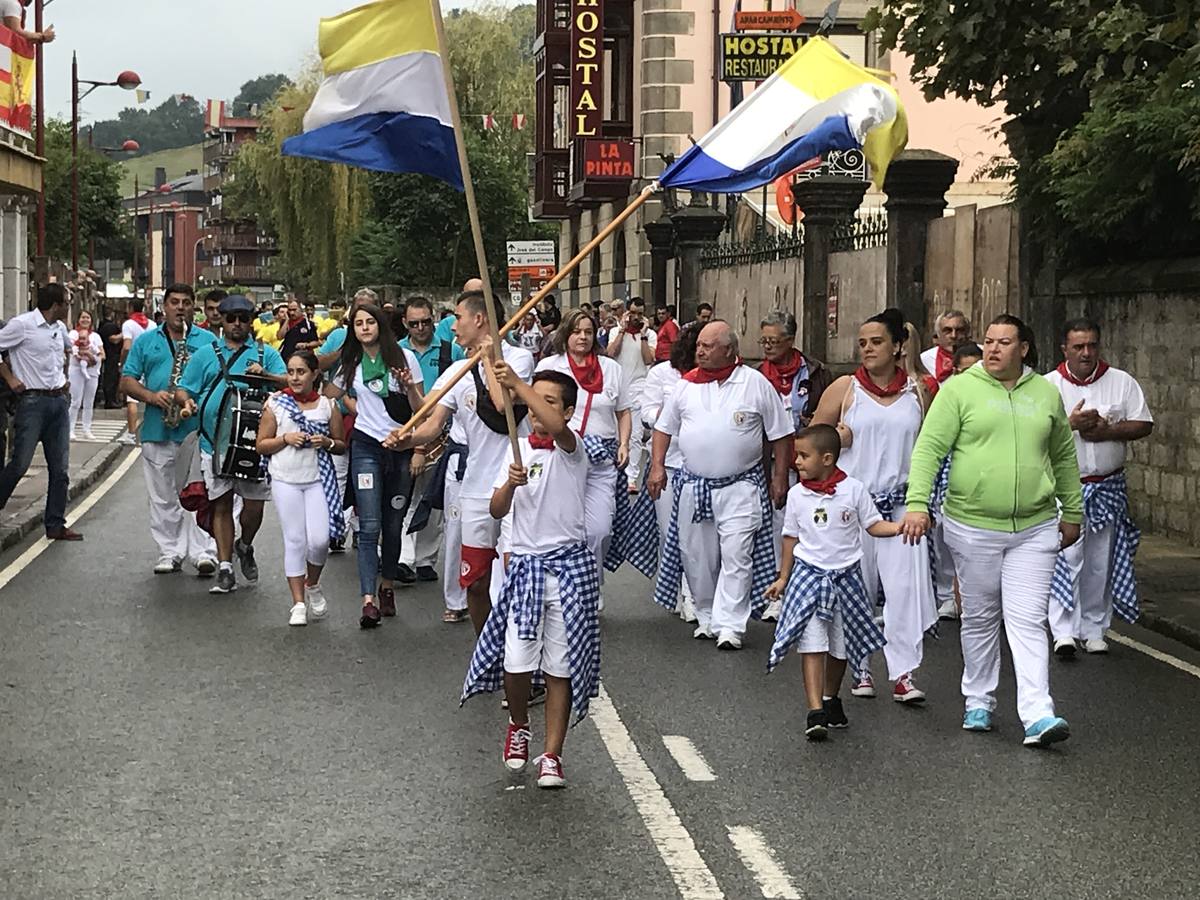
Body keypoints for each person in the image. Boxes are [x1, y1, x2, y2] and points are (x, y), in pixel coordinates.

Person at [901, 314, 1083, 747]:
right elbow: (929, 448)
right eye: (987, 342)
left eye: (1004, 342)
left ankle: (1038, 713)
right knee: (981, 616)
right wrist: (917, 504)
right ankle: (978, 699)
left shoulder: (1044, 394)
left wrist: (1072, 512)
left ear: (1024, 349)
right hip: (973, 525)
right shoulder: (960, 390)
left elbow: (1062, 455)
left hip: (1035, 527)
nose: (993, 349)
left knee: (1028, 619)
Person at [462, 367, 597, 789]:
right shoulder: (517, 449)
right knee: (517, 660)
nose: (538, 410)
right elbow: (497, 509)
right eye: (534, 402)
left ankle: (553, 754)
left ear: (569, 411)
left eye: (549, 401)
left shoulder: (573, 451)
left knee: (561, 665)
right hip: (525, 567)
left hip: (568, 568)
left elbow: (556, 427)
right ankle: (519, 723)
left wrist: (520, 387)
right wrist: (510, 486)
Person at [387, 291, 534, 634]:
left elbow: (502, 407)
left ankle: (520, 645)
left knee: (515, 573)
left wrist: (486, 358)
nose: (452, 326)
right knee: (476, 580)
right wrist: (405, 439)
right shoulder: (456, 370)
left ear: (479, 319)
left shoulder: (519, 359)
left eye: (458, 317)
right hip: (476, 490)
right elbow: (431, 422)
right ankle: (488, 647)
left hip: (516, 485)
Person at [809, 309, 936, 702]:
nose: (867, 349)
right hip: (854, 508)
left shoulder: (920, 391)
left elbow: (933, 447)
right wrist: (836, 438)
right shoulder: (845, 389)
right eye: (862, 343)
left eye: (877, 342)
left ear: (898, 346)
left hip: (902, 505)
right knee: (856, 589)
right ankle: (859, 667)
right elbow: (811, 442)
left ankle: (903, 673)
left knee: (904, 590)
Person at [648, 320, 793, 650]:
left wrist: (780, 476)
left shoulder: (754, 383)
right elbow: (663, 428)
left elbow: (781, 433)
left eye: (708, 346)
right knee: (696, 556)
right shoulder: (685, 386)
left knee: (736, 554)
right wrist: (657, 467)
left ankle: (731, 624)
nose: (699, 350)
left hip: (741, 486)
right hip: (694, 486)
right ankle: (705, 614)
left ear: (729, 350)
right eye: (699, 344)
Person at [764, 425, 900, 740]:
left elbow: (873, 525)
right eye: (796, 455)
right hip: (809, 576)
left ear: (827, 458)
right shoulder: (797, 495)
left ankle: (830, 696)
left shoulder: (853, 490)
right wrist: (783, 577)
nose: (796, 461)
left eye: (803, 456)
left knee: (841, 646)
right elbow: (790, 537)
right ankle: (815, 711)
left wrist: (898, 528)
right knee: (812, 644)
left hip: (846, 577)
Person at [1046, 319, 1153, 656]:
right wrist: (1071, 425)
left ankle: (1094, 628)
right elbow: (1031, 434)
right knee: (1065, 557)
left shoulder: (1121, 382)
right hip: (1064, 488)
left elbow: (1143, 423)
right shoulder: (1047, 386)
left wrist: (1107, 432)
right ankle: (1062, 630)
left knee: (1099, 561)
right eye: (1078, 346)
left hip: (1107, 487)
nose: (1086, 353)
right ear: (1064, 349)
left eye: (1092, 345)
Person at [176, 294, 288, 594]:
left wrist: (265, 375)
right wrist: (187, 404)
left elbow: (290, 382)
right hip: (216, 443)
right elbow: (184, 388)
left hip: (255, 443)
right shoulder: (204, 354)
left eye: (243, 318)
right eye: (231, 318)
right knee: (221, 504)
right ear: (220, 320)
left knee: (253, 508)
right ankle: (225, 567)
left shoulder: (265, 354)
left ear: (251, 320)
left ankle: (245, 544)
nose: (237, 324)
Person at [328, 304, 424, 626]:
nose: (365, 328)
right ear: (352, 329)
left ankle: (386, 588)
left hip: (400, 445)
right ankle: (368, 600)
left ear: (380, 326)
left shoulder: (404, 358)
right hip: (366, 445)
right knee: (368, 525)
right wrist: (347, 404)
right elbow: (329, 393)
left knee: (392, 525)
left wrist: (409, 385)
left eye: (370, 322)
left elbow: (421, 411)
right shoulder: (351, 362)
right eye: (359, 323)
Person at [121, 283, 220, 577]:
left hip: (196, 431)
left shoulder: (207, 340)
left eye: (186, 302)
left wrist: (195, 401)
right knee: (162, 495)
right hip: (157, 428)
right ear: (164, 307)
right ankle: (170, 551)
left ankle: (204, 551)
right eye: (174, 302)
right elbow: (127, 380)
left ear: (194, 307)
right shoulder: (146, 340)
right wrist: (152, 397)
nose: (180, 307)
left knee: (201, 493)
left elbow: (217, 382)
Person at [536, 309, 632, 592]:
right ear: (566, 334)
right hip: (563, 456)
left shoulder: (611, 369)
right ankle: (571, 587)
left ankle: (591, 582)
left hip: (601, 458)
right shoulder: (550, 367)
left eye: (588, 332)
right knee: (565, 525)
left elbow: (623, 412)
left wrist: (624, 443)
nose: (583, 337)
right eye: (577, 331)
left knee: (599, 529)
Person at [257, 350, 346, 626]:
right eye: (291, 372)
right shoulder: (276, 404)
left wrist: (327, 442)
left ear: (314, 374)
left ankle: (313, 584)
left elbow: (341, 444)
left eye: (301, 372)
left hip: (318, 479)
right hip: (286, 479)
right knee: (295, 539)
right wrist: (285, 438)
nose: (295, 378)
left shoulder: (327, 406)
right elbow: (262, 444)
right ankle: (297, 603)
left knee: (319, 540)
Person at [0, 284, 80, 541]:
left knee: (61, 469)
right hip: (32, 402)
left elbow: (66, 354)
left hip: (57, 401)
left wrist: (63, 380)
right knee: (19, 464)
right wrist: (10, 377)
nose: (69, 308)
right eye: (66, 303)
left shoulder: (59, 329)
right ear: (56, 305)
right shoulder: (22, 325)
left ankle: (55, 523)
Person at [398, 295, 465, 583]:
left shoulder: (452, 351)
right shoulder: (396, 352)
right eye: (414, 323)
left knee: (431, 499)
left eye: (426, 321)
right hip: (404, 428)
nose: (421, 328)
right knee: (403, 497)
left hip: (442, 432)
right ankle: (404, 558)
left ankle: (425, 559)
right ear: (405, 324)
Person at [640, 321, 701, 623]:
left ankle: (694, 592)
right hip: (668, 460)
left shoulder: (714, 379)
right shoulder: (660, 374)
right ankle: (675, 586)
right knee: (669, 531)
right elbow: (646, 411)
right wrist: (672, 418)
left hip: (699, 465)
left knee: (694, 533)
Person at [931, 342, 984, 621]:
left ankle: (971, 598)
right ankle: (947, 595)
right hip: (947, 486)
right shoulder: (948, 398)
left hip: (981, 488)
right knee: (945, 545)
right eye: (964, 371)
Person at [604, 297, 656, 486]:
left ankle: (631, 477)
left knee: (634, 435)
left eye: (640, 314)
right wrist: (622, 330)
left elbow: (649, 359)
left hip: (638, 388)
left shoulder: (650, 335)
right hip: (618, 386)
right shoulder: (615, 331)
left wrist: (642, 335)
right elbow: (611, 353)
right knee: (617, 434)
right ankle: (616, 471)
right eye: (632, 313)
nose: (636, 317)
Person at [118, 298, 152, 446]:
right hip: (151, 364)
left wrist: (122, 362)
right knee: (152, 399)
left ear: (131, 307)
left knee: (132, 400)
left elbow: (126, 346)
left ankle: (131, 434)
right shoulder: (152, 324)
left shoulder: (128, 324)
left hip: (136, 365)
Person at [67, 310, 104, 440]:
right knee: (75, 401)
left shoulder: (96, 336)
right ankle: (70, 429)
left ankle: (86, 429)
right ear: (78, 319)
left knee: (89, 402)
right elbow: (71, 349)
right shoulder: (73, 334)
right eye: (83, 317)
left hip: (93, 371)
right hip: (76, 369)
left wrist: (92, 358)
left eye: (88, 317)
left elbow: (102, 354)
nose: (85, 320)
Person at [920, 310, 972, 384]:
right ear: (938, 335)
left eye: (959, 330)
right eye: (947, 331)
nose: (954, 335)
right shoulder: (924, 360)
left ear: (967, 333)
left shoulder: (982, 355)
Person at [97, 307, 123, 408]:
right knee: (111, 378)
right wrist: (124, 334)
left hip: (108, 354)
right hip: (111, 355)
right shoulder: (109, 326)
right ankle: (110, 400)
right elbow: (113, 339)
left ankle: (110, 399)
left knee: (109, 377)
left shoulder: (102, 325)